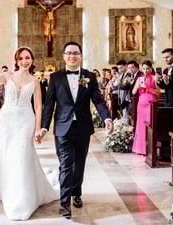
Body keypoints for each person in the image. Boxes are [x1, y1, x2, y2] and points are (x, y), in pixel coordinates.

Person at [0, 47, 58, 221]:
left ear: (31, 59)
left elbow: (38, 107)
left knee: (22, 155)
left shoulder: (35, 80)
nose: (24, 61)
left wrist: (38, 129)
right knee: (6, 154)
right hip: (6, 120)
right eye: (21, 58)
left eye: (27, 57)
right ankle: (6, 188)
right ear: (16, 60)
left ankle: (22, 198)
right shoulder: (7, 77)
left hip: (25, 121)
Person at [40, 42, 113, 219]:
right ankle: (64, 202)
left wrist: (107, 118)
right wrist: (43, 126)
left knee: (79, 163)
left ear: (81, 56)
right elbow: (49, 104)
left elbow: (98, 100)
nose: (72, 56)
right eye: (68, 53)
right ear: (64, 56)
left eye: (76, 53)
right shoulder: (55, 77)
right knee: (65, 164)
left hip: (82, 126)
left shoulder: (90, 76)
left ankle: (76, 193)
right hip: (62, 127)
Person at [132, 60, 159, 155]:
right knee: (141, 125)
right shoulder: (139, 78)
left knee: (149, 125)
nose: (145, 70)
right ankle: (140, 148)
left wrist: (149, 88)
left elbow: (158, 93)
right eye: (143, 68)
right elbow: (133, 92)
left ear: (151, 68)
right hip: (141, 103)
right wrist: (139, 85)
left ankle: (149, 149)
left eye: (147, 68)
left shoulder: (154, 77)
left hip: (150, 102)